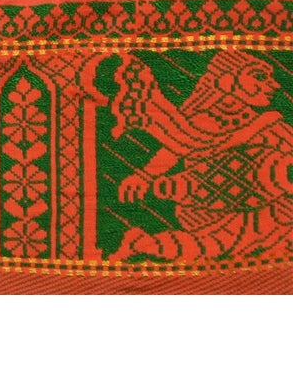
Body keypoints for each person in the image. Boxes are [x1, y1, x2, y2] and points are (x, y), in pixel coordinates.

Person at [111, 50, 293, 262]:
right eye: (259, 77)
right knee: (215, 244)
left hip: (263, 200)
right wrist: (145, 176)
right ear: (227, 80)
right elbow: (178, 146)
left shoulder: (271, 124)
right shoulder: (205, 121)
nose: (275, 85)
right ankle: (140, 243)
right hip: (205, 208)